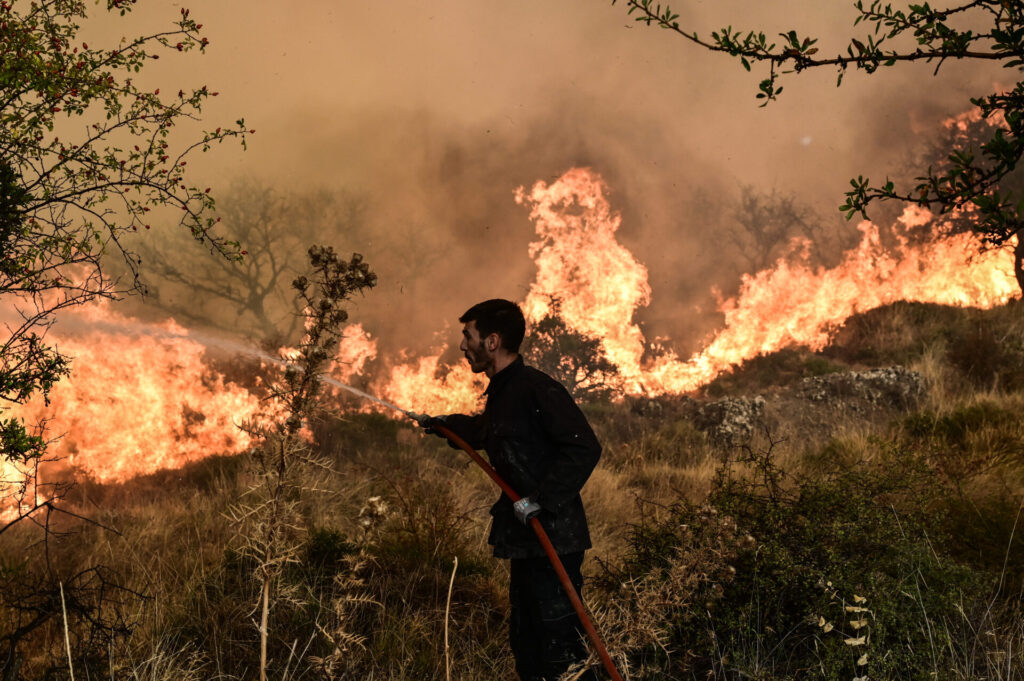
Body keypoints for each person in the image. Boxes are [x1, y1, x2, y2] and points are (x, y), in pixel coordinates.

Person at [419, 299, 602, 681]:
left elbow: (584, 447)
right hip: (528, 541)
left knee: (561, 650)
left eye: (467, 335)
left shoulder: (535, 388)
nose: (462, 345)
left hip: (554, 540)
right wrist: (443, 425)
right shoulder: (504, 391)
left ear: (492, 341)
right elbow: (486, 432)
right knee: (528, 644)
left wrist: (541, 501)